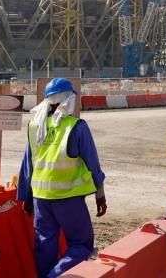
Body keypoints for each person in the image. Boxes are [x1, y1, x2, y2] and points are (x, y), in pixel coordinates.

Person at [17, 78, 107, 277]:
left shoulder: (34, 126)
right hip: (68, 199)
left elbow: (27, 164)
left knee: (44, 244)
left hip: (41, 199)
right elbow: (93, 165)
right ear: (69, 99)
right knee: (81, 244)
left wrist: (26, 196)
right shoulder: (76, 127)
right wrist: (100, 195)